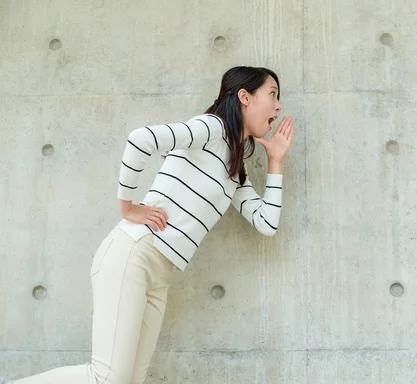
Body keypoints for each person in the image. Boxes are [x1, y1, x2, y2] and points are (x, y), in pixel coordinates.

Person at [8, 66, 294, 384]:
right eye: (273, 94)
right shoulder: (211, 128)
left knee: (130, 380)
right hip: (135, 254)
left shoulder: (235, 169)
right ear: (244, 96)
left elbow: (267, 222)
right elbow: (141, 139)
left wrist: (276, 162)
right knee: (106, 376)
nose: (278, 106)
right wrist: (127, 206)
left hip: (159, 275)